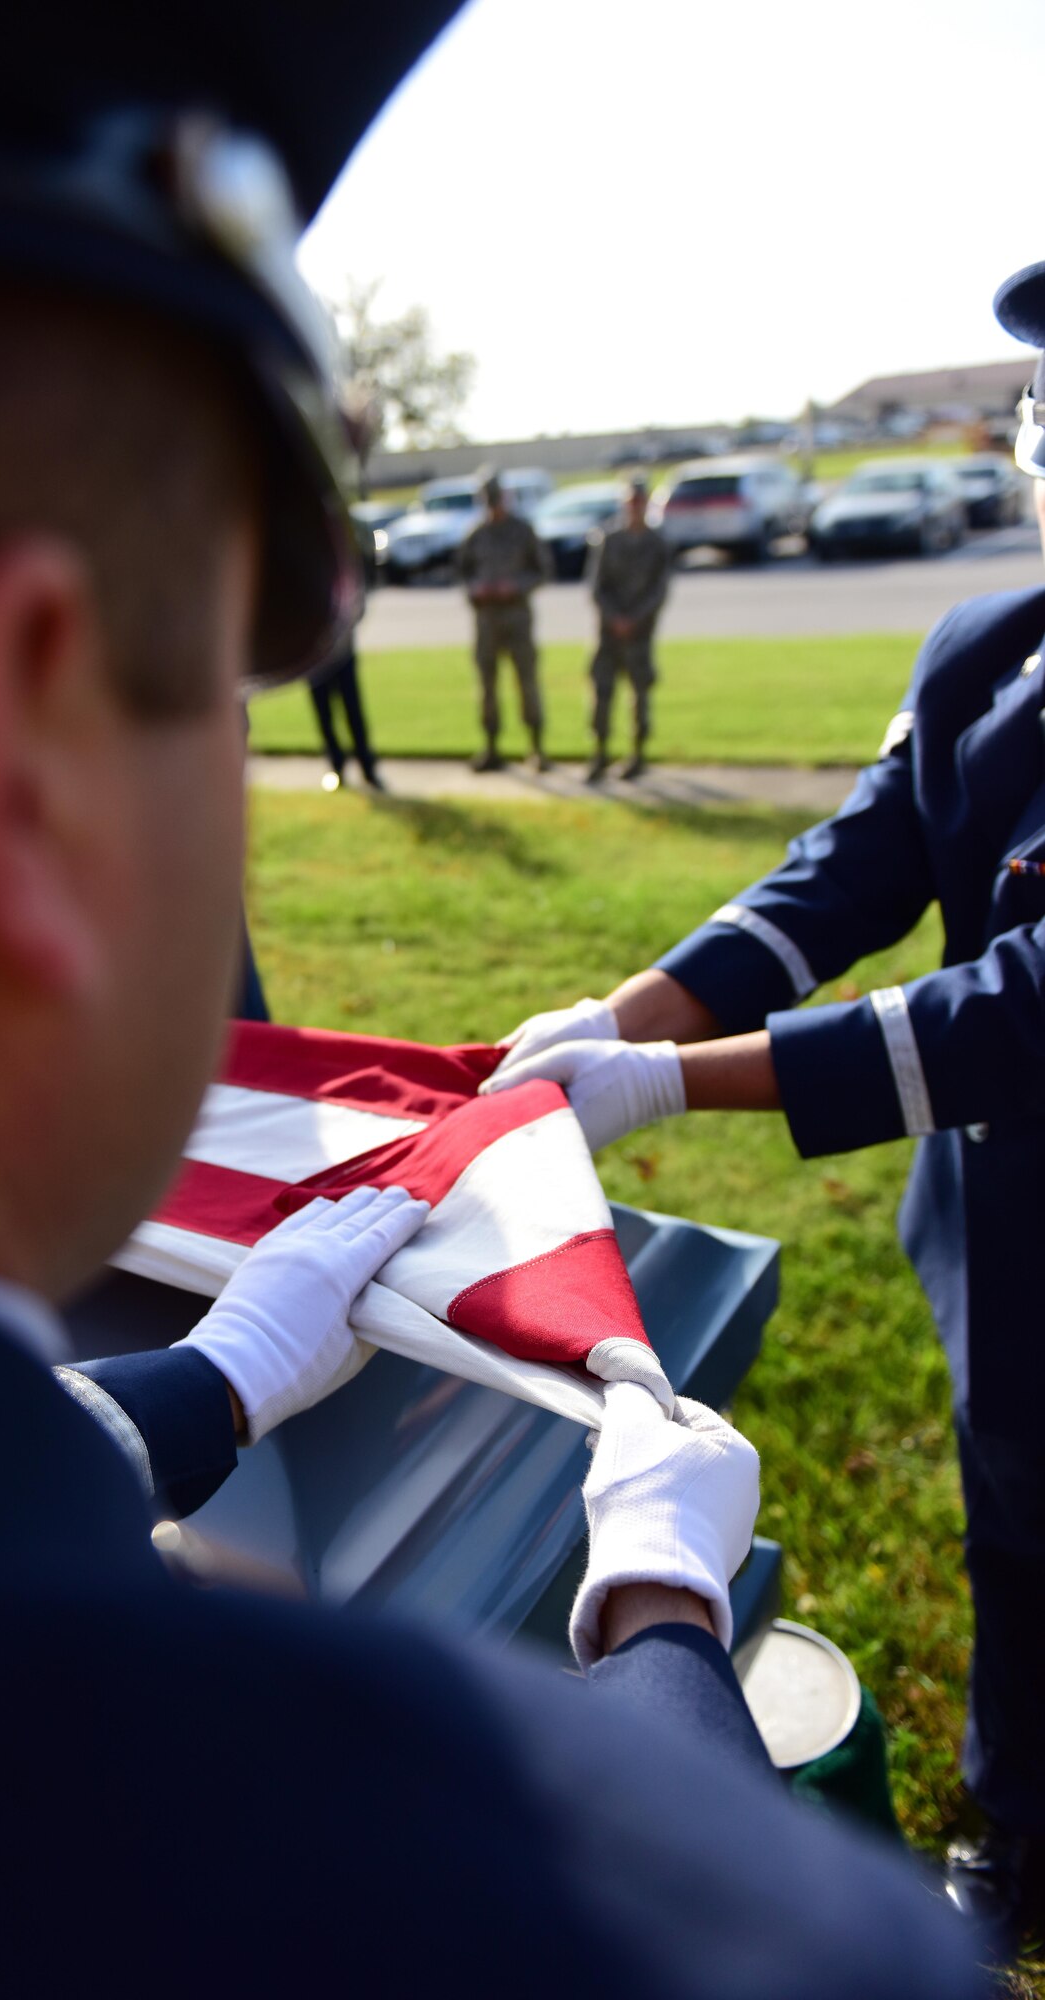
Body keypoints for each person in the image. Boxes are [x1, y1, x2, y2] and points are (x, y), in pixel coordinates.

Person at [0, 12, 988, 1996]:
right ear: (22, 756)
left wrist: (206, 1384)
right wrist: (652, 1620)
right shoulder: (596, 1933)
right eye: (239, 674)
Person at [485, 255, 1045, 1954]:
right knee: (1016, 1517)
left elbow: (1022, 1011)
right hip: (1009, 1231)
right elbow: (854, 872)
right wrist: (629, 1009)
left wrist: (668, 1082)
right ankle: (1025, 1822)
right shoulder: (987, 647)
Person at [457, 472, 551, 772]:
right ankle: (491, 747)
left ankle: (536, 748)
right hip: (487, 620)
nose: (493, 506)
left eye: (497, 499)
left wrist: (516, 586)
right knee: (487, 685)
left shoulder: (522, 531)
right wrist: (476, 589)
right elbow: (462, 572)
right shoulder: (476, 533)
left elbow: (543, 570)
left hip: (517, 617)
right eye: (488, 500)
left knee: (527, 682)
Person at [587, 476, 672, 781]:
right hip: (609, 634)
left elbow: (659, 590)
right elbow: (597, 587)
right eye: (630, 501)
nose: (635, 507)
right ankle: (600, 754)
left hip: (639, 634)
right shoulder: (609, 540)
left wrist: (634, 618)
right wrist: (615, 618)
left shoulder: (656, 543)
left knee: (640, 696)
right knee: (601, 693)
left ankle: (637, 755)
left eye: (639, 501)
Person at [308, 641, 385, 791]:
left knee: (354, 713)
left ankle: (367, 768)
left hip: (342, 654)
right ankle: (337, 767)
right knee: (325, 717)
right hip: (315, 660)